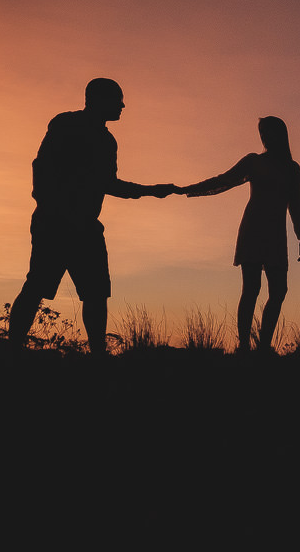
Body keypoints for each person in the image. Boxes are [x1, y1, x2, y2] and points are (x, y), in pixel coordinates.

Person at [9, 77, 177, 355]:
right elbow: (41, 165)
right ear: (98, 100)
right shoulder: (65, 124)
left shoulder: (107, 140)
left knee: (96, 294)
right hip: (55, 222)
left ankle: (98, 355)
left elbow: (108, 184)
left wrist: (151, 191)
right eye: (117, 99)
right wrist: (48, 204)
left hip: (86, 227)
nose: (123, 105)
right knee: (37, 286)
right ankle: (13, 349)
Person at [178, 116, 300, 354]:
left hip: (276, 234)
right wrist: (189, 189)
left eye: (268, 132)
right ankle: (244, 345)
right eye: (262, 132)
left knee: (279, 291)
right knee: (251, 289)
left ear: (280, 134)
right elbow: (224, 180)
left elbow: (296, 203)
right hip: (253, 230)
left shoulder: (291, 168)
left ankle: (263, 345)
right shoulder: (254, 161)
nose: (265, 137)